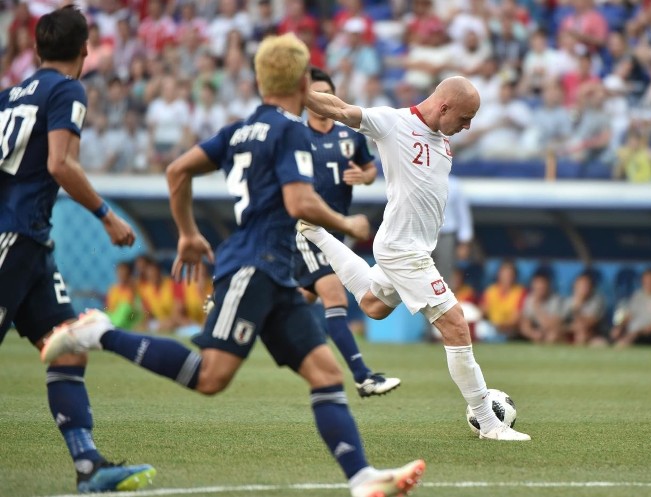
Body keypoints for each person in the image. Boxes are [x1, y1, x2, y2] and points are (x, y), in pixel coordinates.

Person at [41, 33, 426, 497]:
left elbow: (177, 170)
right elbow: (299, 200)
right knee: (210, 377)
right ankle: (96, 333)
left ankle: (362, 479)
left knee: (325, 373)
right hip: (252, 266)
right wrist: (349, 221)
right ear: (305, 81)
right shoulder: (291, 130)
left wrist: (186, 233)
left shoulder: (240, 130)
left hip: (275, 271)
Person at [298, 75, 531, 441]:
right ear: (443, 107)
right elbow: (339, 108)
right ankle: (489, 423)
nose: (467, 126)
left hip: (413, 247)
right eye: (465, 117)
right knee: (455, 324)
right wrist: (295, 91)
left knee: (373, 305)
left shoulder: (443, 139)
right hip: (403, 250)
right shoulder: (393, 123)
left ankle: (313, 231)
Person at [0, 7, 155, 493]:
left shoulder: (8, 96)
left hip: (32, 243)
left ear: (37, 49)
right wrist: (106, 215)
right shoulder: (67, 88)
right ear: (85, 50)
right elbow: (61, 164)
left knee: (67, 346)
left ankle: (89, 466)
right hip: (14, 236)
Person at [297, 67, 400, 398]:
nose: (322, 101)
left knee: (299, 300)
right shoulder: (294, 136)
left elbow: (370, 169)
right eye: (316, 94)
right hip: (306, 229)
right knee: (335, 297)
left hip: (336, 233)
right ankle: (362, 376)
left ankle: (240, 302)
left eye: (328, 94)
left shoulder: (349, 136)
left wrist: (365, 176)